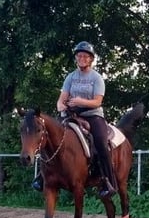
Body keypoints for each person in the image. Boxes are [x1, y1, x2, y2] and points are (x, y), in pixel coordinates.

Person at [32, 41, 117, 198]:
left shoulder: (96, 78)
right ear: (76, 58)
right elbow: (61, 98)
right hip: (71, 115)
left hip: (93, 115)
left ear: (91, 59)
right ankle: (42, 177)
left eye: (85, 56)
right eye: (79, 56)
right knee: (48, 136)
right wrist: (60, 106)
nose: (82, 58)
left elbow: (97, 102)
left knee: (101, 143)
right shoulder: (70, 77)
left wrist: (79, 101)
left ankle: (108, 182)